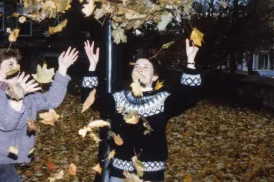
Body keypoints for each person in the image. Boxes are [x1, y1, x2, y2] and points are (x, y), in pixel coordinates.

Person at [81, 40, 201, 181]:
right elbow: (90, 100)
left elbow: (189, 97)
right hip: (119, 173)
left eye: (145, 67)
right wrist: (92, 65)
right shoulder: (118, 98)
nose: (139, 69)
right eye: (136, 66)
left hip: (150, 174)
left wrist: (191, 62)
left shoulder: (162, 100)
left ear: (155, 77)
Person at [0, 47, 78, 182]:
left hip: (7, 167)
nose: (17, 67)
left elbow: (51, 100)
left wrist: (63, 68)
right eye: (10, 64)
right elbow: (5, 122)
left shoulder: (26, 96)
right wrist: (18, 97)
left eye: (17, 64)